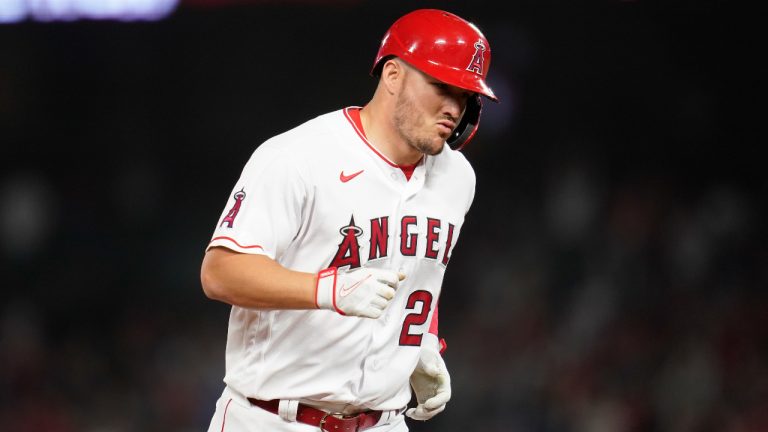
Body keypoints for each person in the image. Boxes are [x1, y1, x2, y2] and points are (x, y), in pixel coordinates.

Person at [201, 8, 498, 432]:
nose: (454, 107)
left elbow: (421, 273)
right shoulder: (299, 157)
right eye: (441, 87)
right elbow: (220, 273)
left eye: (465, 96)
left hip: (383, 422)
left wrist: (425, 341)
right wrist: (328, 289)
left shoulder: (457, 178)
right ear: (392, 75)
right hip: (272, 416)